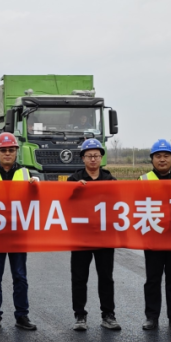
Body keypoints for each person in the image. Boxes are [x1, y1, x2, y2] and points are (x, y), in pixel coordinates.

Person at [0, 132, 40, 331]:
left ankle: (22, 316)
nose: (7, 153)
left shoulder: (26, 174)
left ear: (16, 152)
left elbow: (37, 199)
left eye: (11, 150)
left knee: (20, 277)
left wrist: (36, 185)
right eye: (3, 150)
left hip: (17, 234)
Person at [67, 138, 120, 331]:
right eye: (89, 155)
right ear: (83, 158)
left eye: (96, 155)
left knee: (106, 277)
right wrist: (74, 190)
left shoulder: (110, 180)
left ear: (101, 158)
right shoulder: (73, 180)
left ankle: (108, 315)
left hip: (104, 236)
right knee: (79, 277)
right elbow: (63, 202)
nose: (93, 159)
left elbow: (119, 203)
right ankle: (80, 315)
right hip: (81, 237)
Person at [140, 139, 171, 331]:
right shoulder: (144, 180)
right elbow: (135, 205)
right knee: (153, 279)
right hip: (154, 237)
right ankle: (151, 317)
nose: (162, 160)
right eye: (158, 156)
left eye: (166, 156)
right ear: (152, 159)